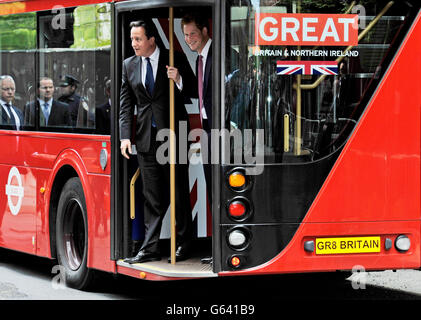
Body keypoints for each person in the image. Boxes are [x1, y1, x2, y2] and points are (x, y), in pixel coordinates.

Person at [119, 20, 196, 264]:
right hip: (145, 138)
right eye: (132, 39)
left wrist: (179, 78)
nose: (134, 44)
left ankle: (184, 242)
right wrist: (124, 136)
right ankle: (150, 248)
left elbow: (194, 90)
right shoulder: (129, 65)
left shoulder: (174, 58)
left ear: (152, 39)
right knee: (151, 195)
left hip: (173, 135)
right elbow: (125, 104)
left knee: (179, 191)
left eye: (138, 39)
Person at [181, 13, 213, 203]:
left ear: (204, 31)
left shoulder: (220, 54)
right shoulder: (199, 58)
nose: (188, 39)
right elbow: (199, 91)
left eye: (192, 34)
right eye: (185, 35)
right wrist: (179, 81)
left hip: (223, 129)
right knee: (210, 180)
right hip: (207, 128)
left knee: (218, 182)